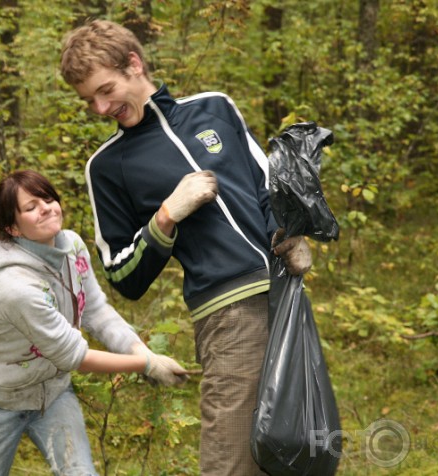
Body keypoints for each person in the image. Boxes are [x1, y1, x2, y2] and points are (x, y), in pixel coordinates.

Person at [60, 20, 312, 476]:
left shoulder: (215, 108)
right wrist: (165, 217)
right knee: (231, 460)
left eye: (106, 89)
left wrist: (288, 233)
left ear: (134, 64)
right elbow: (122, 276)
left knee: (299, 447)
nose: (99, 107)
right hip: (228, 315)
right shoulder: (106, 167)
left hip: (287, 298)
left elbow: (267, 183)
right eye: (88, 100)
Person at [0, 170, 188, 476]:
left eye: (48, 198)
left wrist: (141, 352)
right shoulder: (14, 287)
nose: (46, 208)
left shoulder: (72, 247)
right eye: (31, 207)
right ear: (13, 227)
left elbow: (95, 312)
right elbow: (74, 356)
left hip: (54, 394)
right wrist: (144, 365)